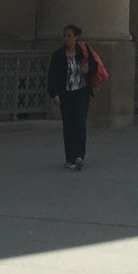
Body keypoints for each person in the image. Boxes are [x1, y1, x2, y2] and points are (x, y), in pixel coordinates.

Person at [45, 23, 102, 171]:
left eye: (69, 35)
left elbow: (94, 66)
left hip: (81, 93)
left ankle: (79, 156)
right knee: (68, 125)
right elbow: (52, 76)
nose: (66, 38)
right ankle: (69, 157)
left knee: (80, 123)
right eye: (64, 36)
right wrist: (54, 94)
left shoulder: (84, 51)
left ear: (76, 37)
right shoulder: (58, 55)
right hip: (66, 94)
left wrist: (88, 70)